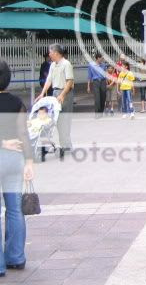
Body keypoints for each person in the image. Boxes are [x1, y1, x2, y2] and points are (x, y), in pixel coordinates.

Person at [0, 60, 34, 277]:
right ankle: (16, 258)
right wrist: (29, 162)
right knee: (14, 209)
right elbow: (23, 133)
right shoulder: (16, 102)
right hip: (15, 159)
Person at [36, 44, 74, 153]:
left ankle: (67, 146)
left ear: (56, 53)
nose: (49, 54)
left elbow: (69, 81)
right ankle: (64, 145)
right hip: (55, 92)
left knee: (65, 120)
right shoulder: (53, 65)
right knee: (57, 120)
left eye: (50, 52)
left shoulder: (66, 64)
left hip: (65, 93)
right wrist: (42, 93)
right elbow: (49, 80)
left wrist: (62, 95)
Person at [87, 52, 107, 118]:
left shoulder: (103, 65)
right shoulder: (91, 65)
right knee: (97, 98)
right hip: (96, 82)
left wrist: (107, 82)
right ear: (98, 58)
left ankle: (101, 112)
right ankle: (97, 113)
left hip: (103, 81)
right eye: (101, 58)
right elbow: (89, 76)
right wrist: (88, 86)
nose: (102, 59)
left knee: (103, 97)